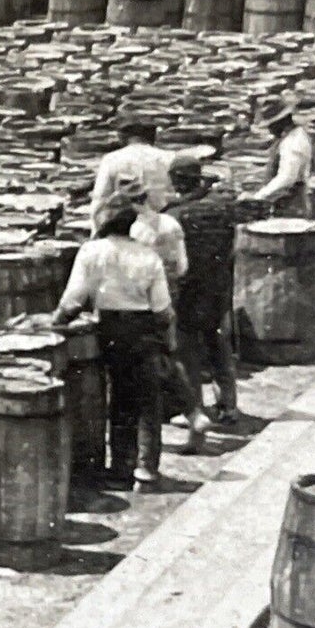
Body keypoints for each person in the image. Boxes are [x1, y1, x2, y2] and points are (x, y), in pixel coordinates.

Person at [56, 186, 173, 489]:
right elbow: (163, 310)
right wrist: (165, 337)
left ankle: (122, 466)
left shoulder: (92, 252)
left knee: (120, 399)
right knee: (148, 400)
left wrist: (55, 324)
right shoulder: (149, 257)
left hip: (110, 329)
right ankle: (146, 469)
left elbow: (73, 300)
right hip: (143, 329)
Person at [125, 173, 208, 451]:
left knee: (147, 364)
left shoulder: (134, 231)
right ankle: (193, 413)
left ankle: (181, 418)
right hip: (170, 293)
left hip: (142, 301)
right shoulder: (170, 223)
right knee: (170, 354)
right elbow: (182, 266)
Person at [167, 156, 239, 427]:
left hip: (189, 289)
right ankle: (228, 405)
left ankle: (193, 408)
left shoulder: (175, 214)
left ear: (176, 181)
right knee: (219, 345)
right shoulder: (223, 208)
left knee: (187, 350)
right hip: (218, 286)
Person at [90, 116, 174, 228]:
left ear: (122, 137)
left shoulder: (112, 159)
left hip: (126, 227)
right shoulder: (169, 157)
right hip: (163, 225)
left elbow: (100, 200)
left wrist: (96, 233)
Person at [251, 98, 312, 218]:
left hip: (293, 205)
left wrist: (258, 197)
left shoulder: (293, 142)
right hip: (286, 201)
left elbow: (287, 178)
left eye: (271, 125)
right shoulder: (292, 136)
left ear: (281, 122)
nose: (270, 130)